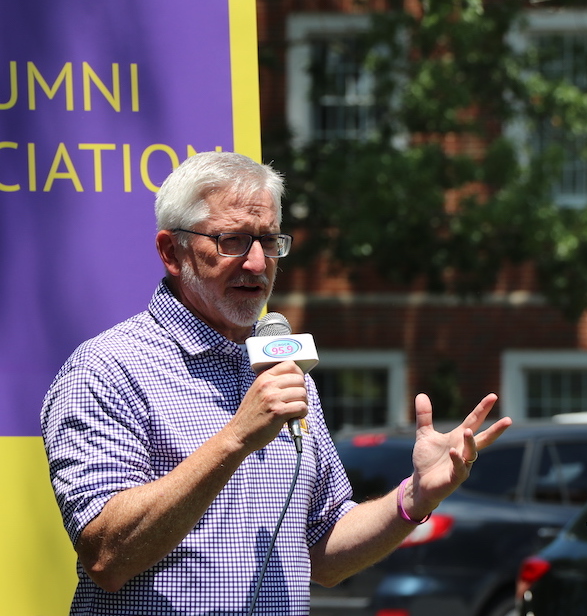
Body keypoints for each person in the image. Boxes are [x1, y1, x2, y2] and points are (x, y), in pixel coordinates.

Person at [41, 151, 512, 616]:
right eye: (232, 241)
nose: (255, 263)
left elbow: (323, 550)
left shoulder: (282, 369)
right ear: (171, 251)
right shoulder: (106, 369)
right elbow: (105, 557)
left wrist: (415, 497)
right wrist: (236, 438)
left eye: (268, 241)